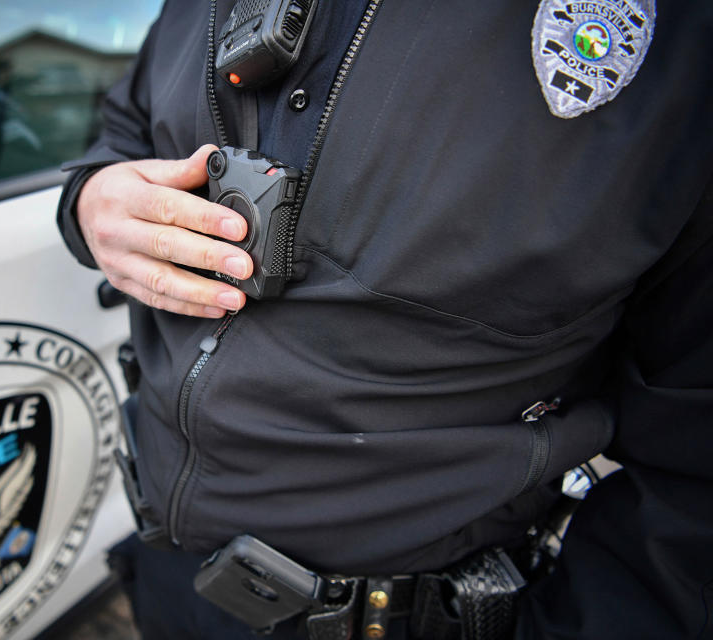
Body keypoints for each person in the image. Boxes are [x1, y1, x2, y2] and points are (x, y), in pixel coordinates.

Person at [57, 1, 713, 638]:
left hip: (403, 615)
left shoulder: (687, 40)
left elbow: (693, 472)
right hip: (169, 577)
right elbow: (123, 129)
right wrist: (89, 202)